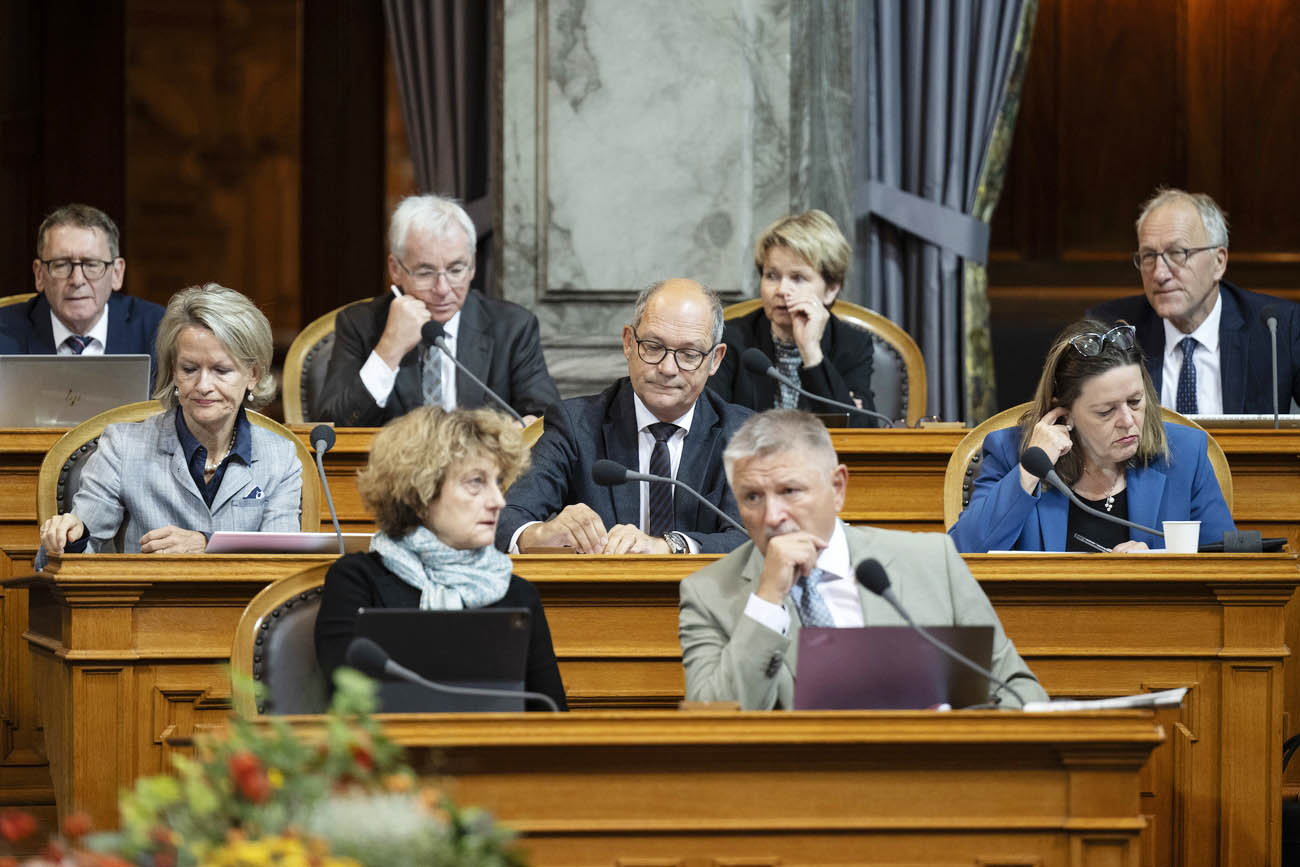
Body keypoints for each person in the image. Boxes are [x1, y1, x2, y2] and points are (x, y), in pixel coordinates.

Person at [678, 409, 1046, 711]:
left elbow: (1020, 693)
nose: (772, 515)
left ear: (837, 488)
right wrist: (768, 601)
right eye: (752, 497)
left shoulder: (932, 562)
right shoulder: (709, 593)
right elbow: (712, 723)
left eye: (790, 491)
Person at [314, 406, 567, 711]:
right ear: (420, 491)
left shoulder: (517, 593)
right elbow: (348, 704)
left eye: (497, 483)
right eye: (476, 482)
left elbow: (550, 715)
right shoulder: (356, 581)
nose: (498, 501)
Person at [38, 284, 302, 554]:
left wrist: (206, 544)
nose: (203, 385)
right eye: (189, 369)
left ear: (253, 375)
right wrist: (71, 536)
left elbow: (282, 558)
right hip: (149, 595)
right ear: (173, 371)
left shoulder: (280, 456)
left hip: (249, 598)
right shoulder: (123, 446)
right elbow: (81, 547)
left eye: (221, 370)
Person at [497, 278, 751, 555]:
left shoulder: (742, 433)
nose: (667, 368)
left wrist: (668, 546)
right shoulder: (575, 425)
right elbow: (505, 521)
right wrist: (541, 534)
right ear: (628, 342)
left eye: (689, 354)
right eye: (653, 347)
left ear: (715, 359)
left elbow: (753, 539)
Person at [949, 320, 1236, 553]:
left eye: (1135, 402)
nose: (1127, 421)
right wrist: (1029, 471)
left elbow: (1228, 564)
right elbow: (964, 554)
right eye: (1106, 411)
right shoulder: (1010, 453)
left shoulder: (1186, 453)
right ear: (1063, 412)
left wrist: (1158, 570)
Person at [317, 194, 561, 426]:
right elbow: (333, 426)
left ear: (473, 264)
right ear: (395, 269)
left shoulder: (512, 327)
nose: (443, 289)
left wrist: (526, 428)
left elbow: (546, 419)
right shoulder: (359, 325)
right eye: (425, 272)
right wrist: (389, 349)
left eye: (456, 270)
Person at [1088, 188, 1300, 415]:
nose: (1159, 274)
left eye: (1178, 253)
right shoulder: (1111, 329)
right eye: (1149, 256)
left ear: (1218, 262)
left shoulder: (1277, 329)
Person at [707, 210, 879, 425]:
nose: (781, 289)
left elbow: (861, 431)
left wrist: (811, 351)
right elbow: (711, 424)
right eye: (772, 276)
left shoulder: (852, 345)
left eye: (798, 278)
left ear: (831, 289)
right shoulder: (731, 338)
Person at [0, 204, 165, 372]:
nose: (77, 280)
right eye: (61, 265)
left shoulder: (158, 330)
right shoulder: (4, 334)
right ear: (39, 275)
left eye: (92, 264)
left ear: (117, 273)